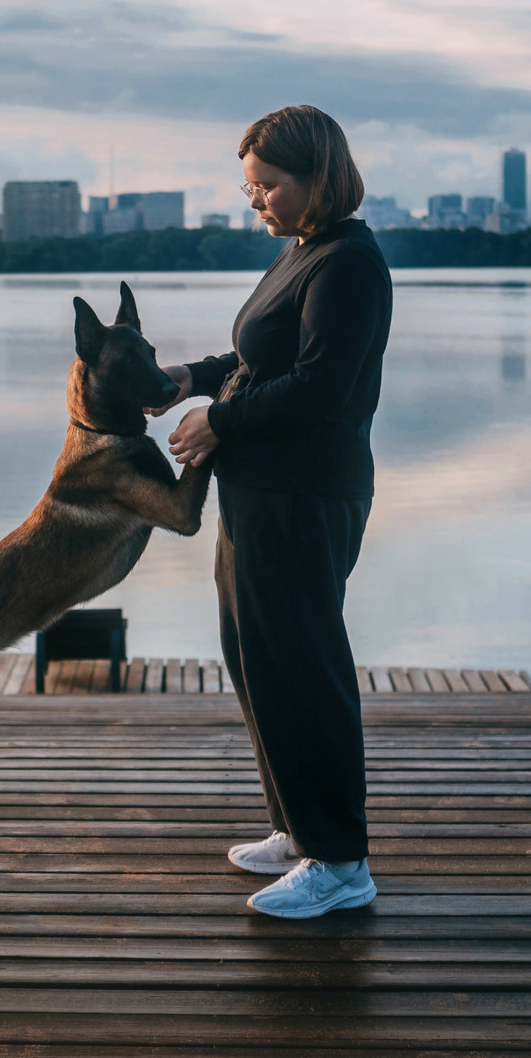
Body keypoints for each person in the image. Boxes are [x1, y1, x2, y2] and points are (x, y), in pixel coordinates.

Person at [149, 105, 392, 919]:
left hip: (305, 493)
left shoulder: (349, 263)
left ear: (315, 176)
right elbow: (261, 359)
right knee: (257, 661)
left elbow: (321, 386)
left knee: (303, 670)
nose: (256, 200)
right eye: (250, 186)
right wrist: (194, 376)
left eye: (268, 185)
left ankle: (340, 861)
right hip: (259, 493)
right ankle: (298, 827)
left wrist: (218, 420)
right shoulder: (304, 253)